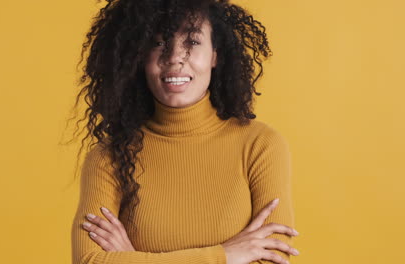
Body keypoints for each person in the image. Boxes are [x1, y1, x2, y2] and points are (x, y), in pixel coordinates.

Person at [70, 0, 299, 263]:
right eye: (157, 43)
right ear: (139, 56)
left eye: (192, 42)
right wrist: (225, 255)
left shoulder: (260, 146)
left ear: (216, 54)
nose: (174, 57)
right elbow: (89, 260)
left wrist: (133, 258)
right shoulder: (108, 157)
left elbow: (271, 259)